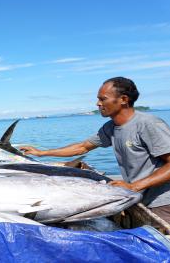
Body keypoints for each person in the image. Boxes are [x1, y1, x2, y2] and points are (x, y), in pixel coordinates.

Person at [20, 77, 170, 223]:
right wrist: (41, 153)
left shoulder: (148, 124)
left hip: (162, 202)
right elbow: (82, 147)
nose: (98, 104)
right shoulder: (111, 127)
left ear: (124, 99)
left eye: (103, 99)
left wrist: (133, 186)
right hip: (138, 197)